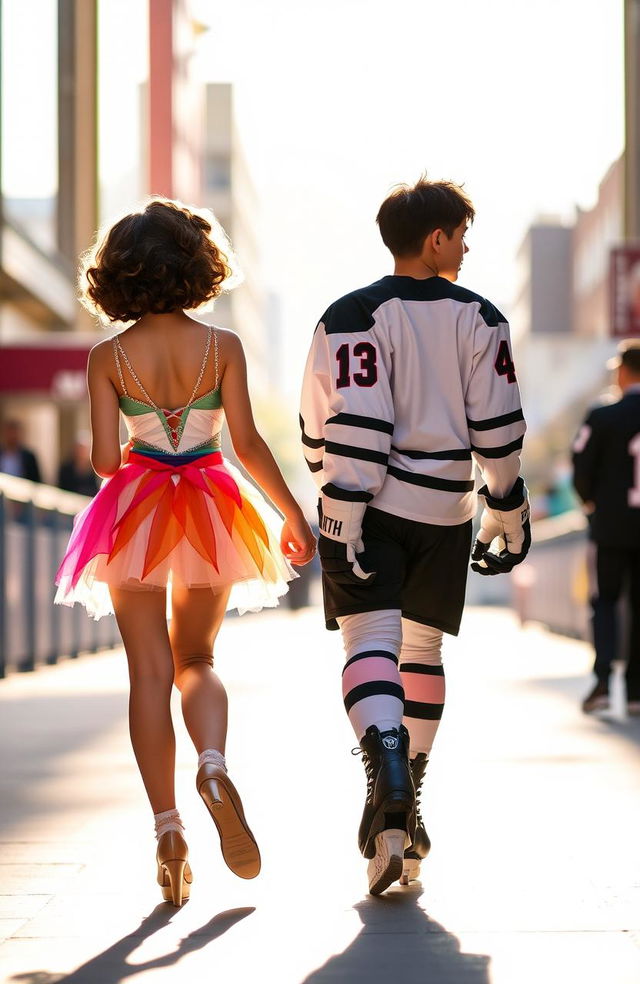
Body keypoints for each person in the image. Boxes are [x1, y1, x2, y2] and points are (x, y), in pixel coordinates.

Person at [55, 199, 316, 907]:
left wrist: (134, 435)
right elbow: (247, 445)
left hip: (135, 510)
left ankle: (168, 831)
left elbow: (106, 462)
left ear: (116, 276)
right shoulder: (222, 346)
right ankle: (212, 763)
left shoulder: (107, 356)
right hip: (210, 504)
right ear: (199, 267)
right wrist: (291, 514)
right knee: (196, 659)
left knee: (148, 674)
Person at [300, 177, 529, 895]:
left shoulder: (346, 314)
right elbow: (498, 429)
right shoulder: (480, 317)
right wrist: (508, 509)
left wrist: (336, 494)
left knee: (368, 644)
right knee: (422, 650)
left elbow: (320, 421)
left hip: (361, 505)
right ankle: (408, 803)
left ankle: (386, 769)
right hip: (445, 510)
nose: (465, 247)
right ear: (436, 238)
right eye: (460, 234)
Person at [572, 338, 640, 716]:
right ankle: (635, 692)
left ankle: (602, 683)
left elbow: (581, 468)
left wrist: (592, 504)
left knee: (606, 603)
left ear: (624, 370)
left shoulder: (602, 416)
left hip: (611, 526)